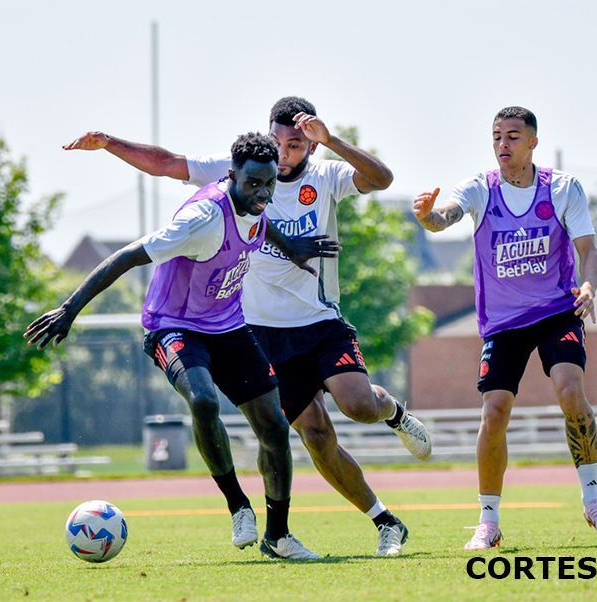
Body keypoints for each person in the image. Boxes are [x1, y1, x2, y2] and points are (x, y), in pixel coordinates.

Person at [61, 96, 432, 556]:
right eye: (277, 143)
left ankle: (392, 413)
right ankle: (383, 522)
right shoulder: (241, 167)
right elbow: (168, 164)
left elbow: (380, 179)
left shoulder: (325, 175)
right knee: (312, 435)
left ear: (310, 146)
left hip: (318, 319)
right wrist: (110, 142)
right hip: (256, 330)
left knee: (357, 405)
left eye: (295, 144)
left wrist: (331, 140)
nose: (282, 154)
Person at [26, 132, 331, 560]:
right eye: (253, 185)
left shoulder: (258, 201)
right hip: (173, 326)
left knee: (275, 427)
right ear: (231, 176)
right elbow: (127, 256)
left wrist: (293, 248)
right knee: (204, 401)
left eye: (268, 184)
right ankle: (238, 506)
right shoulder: (203, 219)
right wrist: (69, 308)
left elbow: (263, 224)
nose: (263, 193)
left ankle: (278, 536)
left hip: (227, 326)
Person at [412, 106, 597, 550]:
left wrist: (589, 285)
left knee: (569, 388)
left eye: (512, 136)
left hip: (556, 311)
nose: (502, 145)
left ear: (532, 143)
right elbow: (444, 217)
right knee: (495, 412)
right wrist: (428, 216)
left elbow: (589, 249)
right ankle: (488, 520)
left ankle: (593, 498)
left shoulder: (563, 188)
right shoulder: (480, 189)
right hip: (504, 322)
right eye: (496, 137)